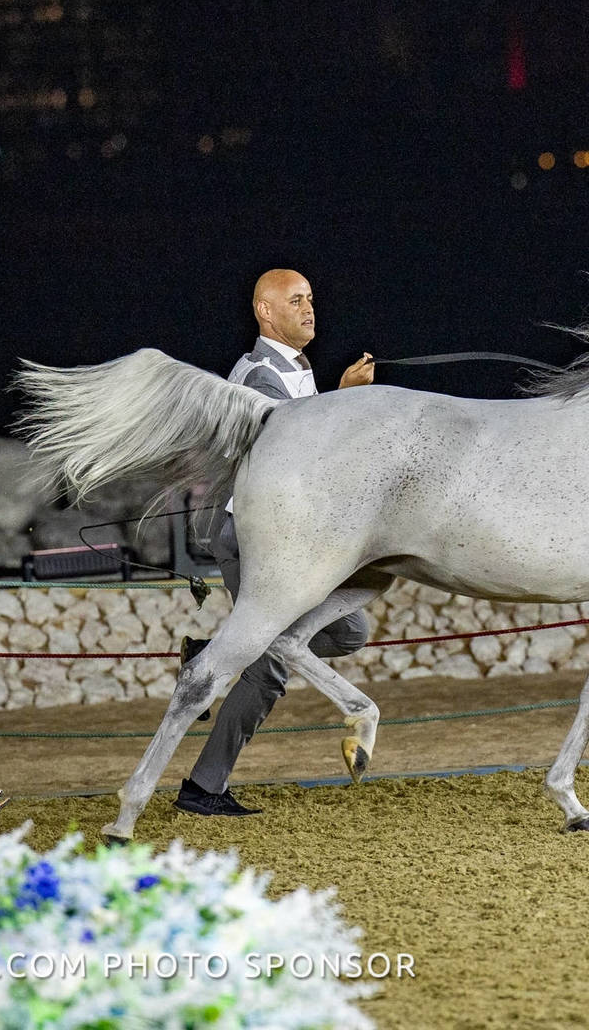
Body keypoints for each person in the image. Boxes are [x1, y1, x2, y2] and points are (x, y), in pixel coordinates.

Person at [174, 268, 376, 818]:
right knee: (268, 670)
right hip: (251, 539)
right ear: (265, 312)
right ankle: (203, 789)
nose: (309, 309)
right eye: (295, 300)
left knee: (349, 630)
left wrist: (339, 399)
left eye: (310, 298)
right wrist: (345, 400)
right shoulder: (258, 376)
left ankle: (211, 655)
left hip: (286, 541)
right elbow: (294, 453)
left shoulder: (294, 369)